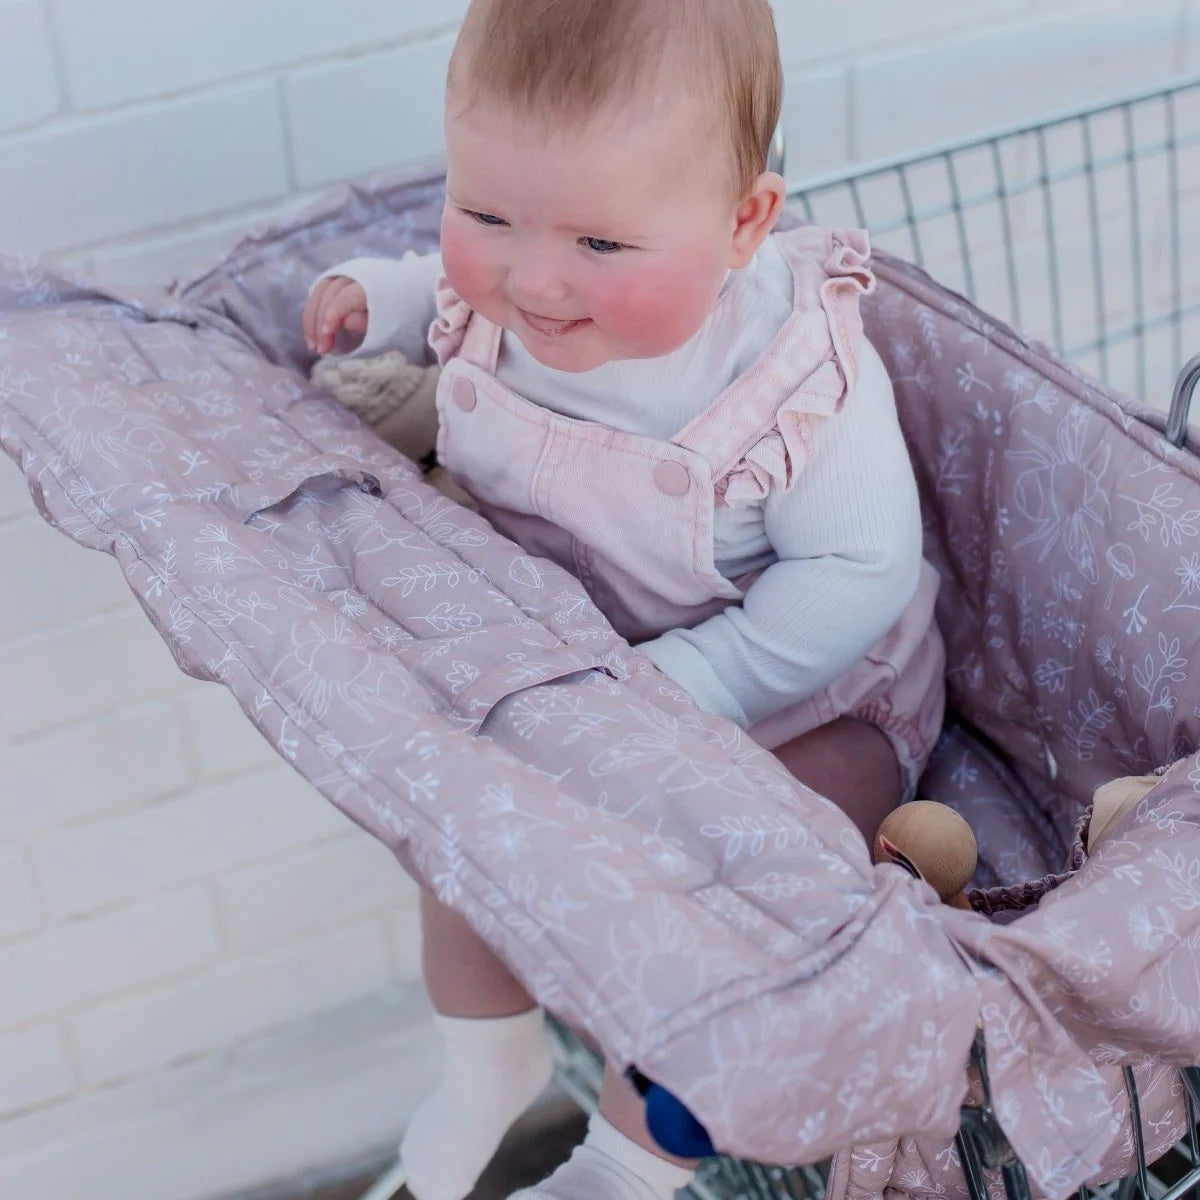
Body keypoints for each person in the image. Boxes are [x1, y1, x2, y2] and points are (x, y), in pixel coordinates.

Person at [302, 3, 945, 1199]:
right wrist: (380, 299)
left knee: (755, 903)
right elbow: (446, 300)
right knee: (466, 822)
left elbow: (862, 575)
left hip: (801, 696)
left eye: (601, 246)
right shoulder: (517, 295)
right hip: (580, 666)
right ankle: (484, 1059)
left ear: (745, 221)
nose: (532, 278)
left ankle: (629, 1160)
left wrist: (706, 682)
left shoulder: (795, 383)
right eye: (484, 214)